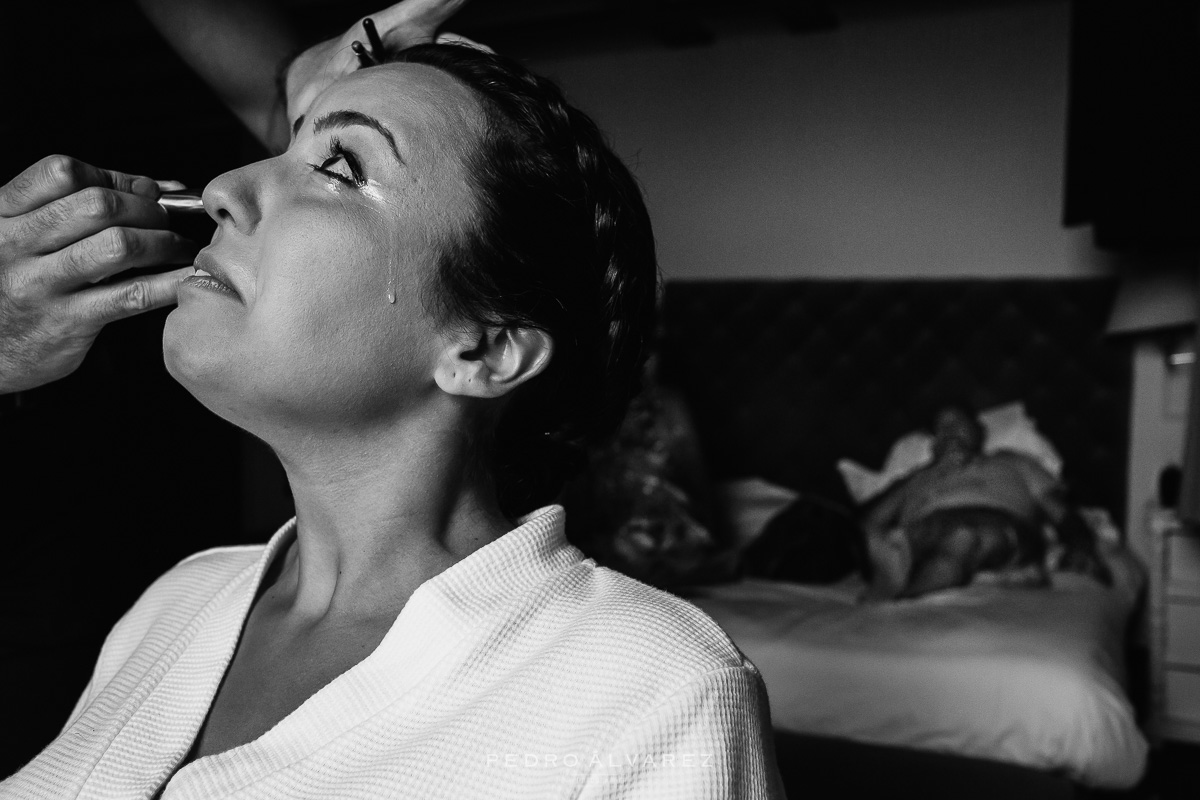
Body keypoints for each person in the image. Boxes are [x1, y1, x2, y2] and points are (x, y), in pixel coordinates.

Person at [0, 27, 782, 800]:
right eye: (288, 144)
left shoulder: (655, 693)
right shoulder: (176, 602)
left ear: (483, 350)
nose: (221, 191)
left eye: (339, 166)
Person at [861, 406, 1107, 601]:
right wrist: (926, 472)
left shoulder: (1014, 463)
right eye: (941, 428)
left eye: (958, 423)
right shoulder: (918, 476)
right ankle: (911, 578)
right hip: (927, 532)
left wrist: (1080, 544)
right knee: (939, 538)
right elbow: (868, 523)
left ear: (979, 431)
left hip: (1001, 526)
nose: (949, 431)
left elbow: (1060, 512)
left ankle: (901, 602)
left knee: (963, 535)